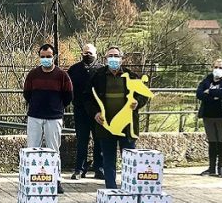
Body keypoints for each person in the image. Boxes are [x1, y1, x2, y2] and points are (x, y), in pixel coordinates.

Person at [84, 46, 149, 189]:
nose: (113, 59)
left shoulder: (131, 76)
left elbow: (144, 94)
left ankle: (129, 189)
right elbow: (87, 98)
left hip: (127, 126)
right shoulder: (97, 76)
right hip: (106, 125)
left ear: (122, 59)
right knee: (108, 160)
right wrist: (95, 113)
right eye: (110, 56)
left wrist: (137, 102)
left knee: (129, 159)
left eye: (116, 56)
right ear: (105, 59)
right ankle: (111, 189)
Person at [23, 44, 72, 194]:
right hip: (35, 116)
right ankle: (32, 178)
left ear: (54, 57)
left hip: (54, 117)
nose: (45, 59)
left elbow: (68, 96)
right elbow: (27, 94)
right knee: (32, 149)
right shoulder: (32, 75)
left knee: (54, 150)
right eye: (43, 57)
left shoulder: (62, 76)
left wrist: (57, 107)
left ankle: (56, 180)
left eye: (48, 56)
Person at [68, 43, 103, 180]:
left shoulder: (101, 70)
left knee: (99, 140)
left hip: (97, 112)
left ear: (96, 54)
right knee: (81, 140)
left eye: (90, 53)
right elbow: (68, 89)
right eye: (85, 53)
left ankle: (99, 169)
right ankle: (79, 169)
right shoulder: (74, 70)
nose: (87, 55)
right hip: (80, 110)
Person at [196, 59, 222, 177]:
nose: (217, 69)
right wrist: (213, 95)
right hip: (208, 115)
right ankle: (211, 168)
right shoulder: (207, 80)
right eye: (216, 67)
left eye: (220, 67)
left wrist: (209, 92)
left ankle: (221, 167)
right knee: (212, 142)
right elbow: (199, 94)